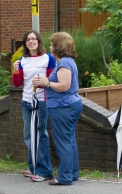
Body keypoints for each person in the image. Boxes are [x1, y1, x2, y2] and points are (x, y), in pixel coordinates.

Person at [33, 32, 82, 185]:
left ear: (59, 46)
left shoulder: (64, 63)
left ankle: (65, 177)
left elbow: (64, 86)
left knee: (63, 142)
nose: (50, 46)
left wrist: (46, 82)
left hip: (63, 106)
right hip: (69, 105)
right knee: (69, 140)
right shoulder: (69, 61)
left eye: (52, 44)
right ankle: (72, 174)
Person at [12, 30, 56, 182]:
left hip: (42, 102)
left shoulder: (48, 58)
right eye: (28, 39)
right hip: (26, 102)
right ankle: (33, 168)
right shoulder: (22, 60)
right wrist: (15, 71)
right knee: (28, 134)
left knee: (40, 135)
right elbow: (17, 84)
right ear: (25, 43)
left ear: (38, 41)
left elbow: (53, 79)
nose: (31, 41)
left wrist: (44, 81)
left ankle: (44, 171)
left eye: (34, 38)